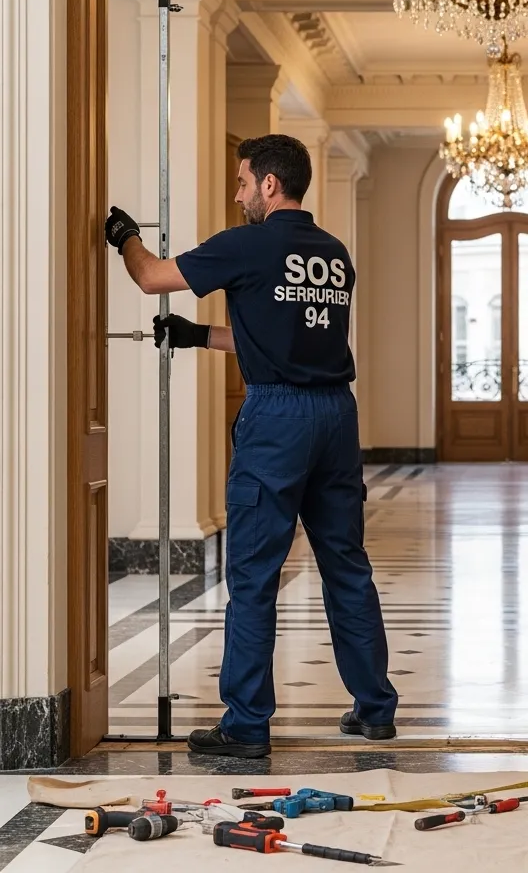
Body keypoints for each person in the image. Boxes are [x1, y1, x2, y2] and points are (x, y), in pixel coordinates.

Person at [105, 133, 398, 759]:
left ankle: (244, 723)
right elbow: (278, 336)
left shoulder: (246, 243)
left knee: (254, 574)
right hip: (335, 415)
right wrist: (197, 336)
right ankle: (374, 707)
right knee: (345, 564)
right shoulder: (333, 253)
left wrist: (124, 237)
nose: (239, 195)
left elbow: (153, 277)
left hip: (276, 422)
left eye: (242, 183)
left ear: (269, 183)